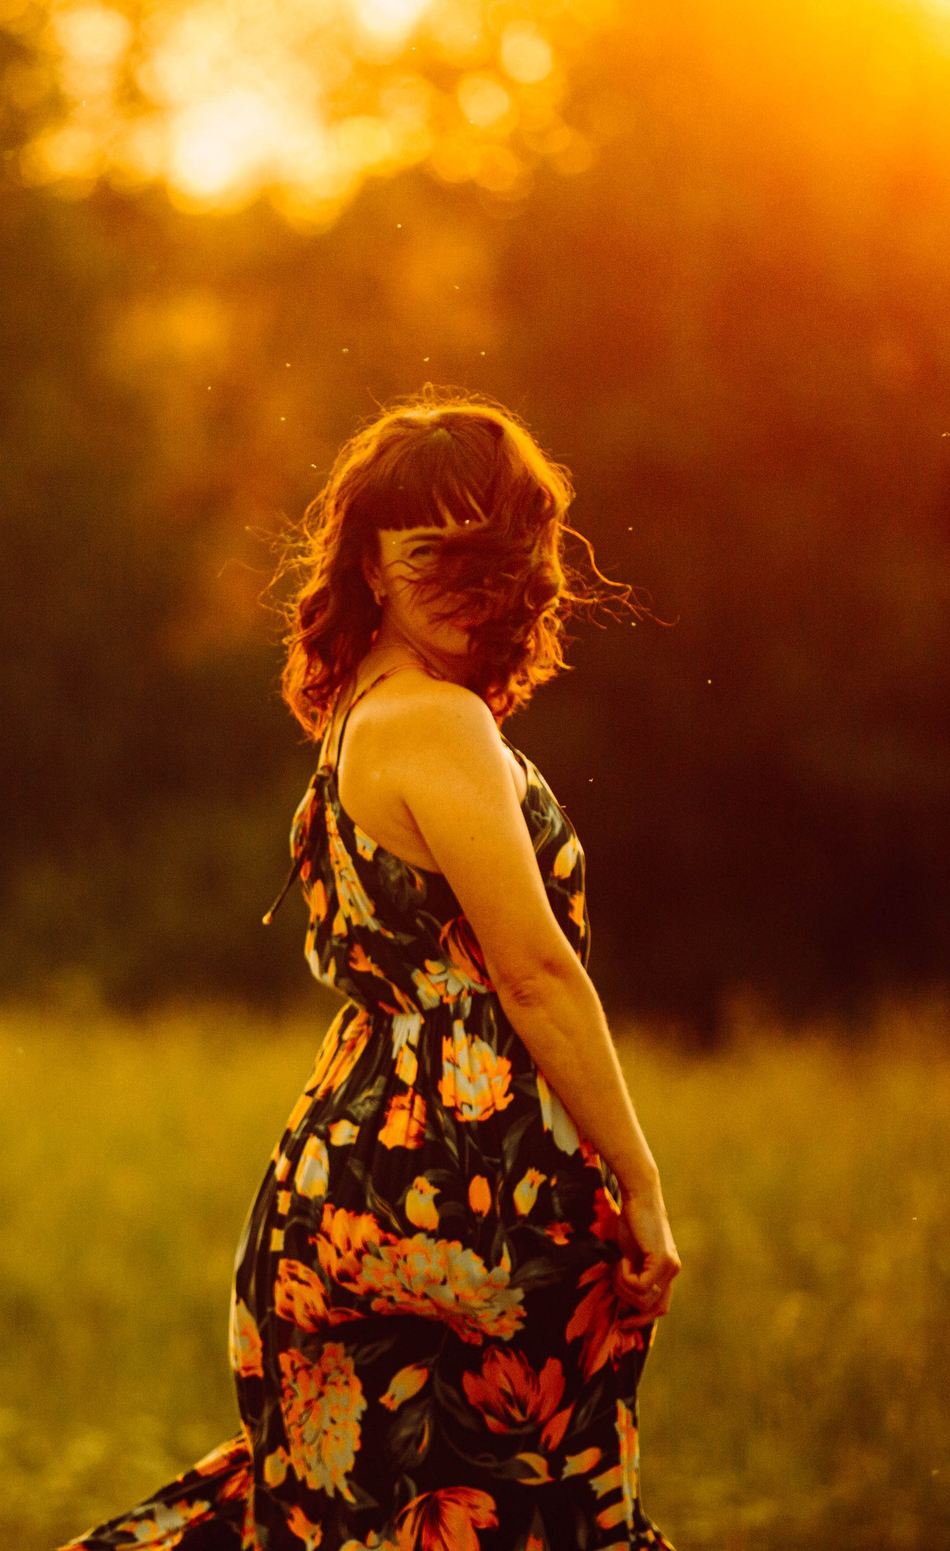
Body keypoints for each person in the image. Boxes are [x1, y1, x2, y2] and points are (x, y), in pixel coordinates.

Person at [65, 394, 679, 1551]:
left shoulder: (366, 714)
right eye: (430, 553)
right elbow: (535, 972)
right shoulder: (436, 725)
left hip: (367, 1181)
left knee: (356, 1519)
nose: (472, 582)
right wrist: (639, 1175)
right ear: (370, 565)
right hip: (452, 1201)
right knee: (510, 1517)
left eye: (495, 553)